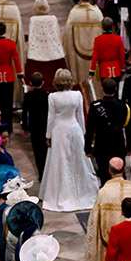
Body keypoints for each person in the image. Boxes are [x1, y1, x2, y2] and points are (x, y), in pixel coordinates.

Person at [39, 68, 99, 212]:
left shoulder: (53, 97)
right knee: (77, 159)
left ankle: (63, 192)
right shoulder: (76, 95)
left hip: (59, 130)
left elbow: (51, 118)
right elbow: (80, 116)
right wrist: (83, 133)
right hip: (74, 129)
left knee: (61, 161)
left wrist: (48, 135)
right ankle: (81, 190)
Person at [84, 78, 130, 184]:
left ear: (101, 89)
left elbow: (90, 129)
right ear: (116, 89)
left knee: (104, 175)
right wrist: (129, 147)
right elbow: (127, 128)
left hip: (102, 146)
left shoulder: (95, 107)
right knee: (120, 174)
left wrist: (87, 148)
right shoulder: (123, 106)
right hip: (118, 145)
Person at [0, 21, 23, 130]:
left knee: (0, 101)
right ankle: (9, 125)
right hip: (9, 75)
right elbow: (16, 60)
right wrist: (20, 74)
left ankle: (1, 124)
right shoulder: (11, 44)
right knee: (8, 101)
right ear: (6, 31)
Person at [62, 0, 103, 87]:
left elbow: (67, 36)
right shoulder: (97, 14)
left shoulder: (74, 14)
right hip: (95, 56)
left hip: (78, 56)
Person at [24, 0, 66, 91]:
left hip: (37, 55)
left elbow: (32, 39)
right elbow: (57, 36)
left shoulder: (33, 20)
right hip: (54, 54)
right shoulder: (53, 19)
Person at [21, 72, 49, 177]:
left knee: (37, 152)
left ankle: (41, 174)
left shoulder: (28, 96)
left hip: (34, 127)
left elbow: (24, 113)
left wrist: (25, 127)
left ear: (30, 83)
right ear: (43, 82)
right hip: (45, 127)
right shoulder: (47, 96)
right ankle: (47, 173)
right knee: (46, 151)